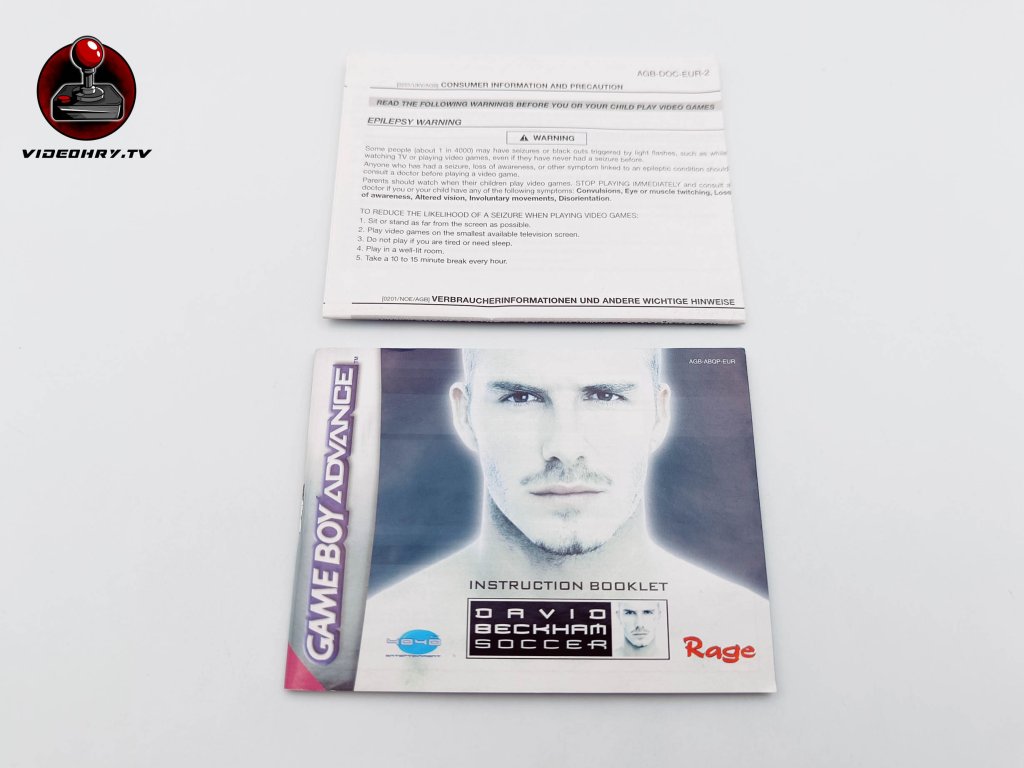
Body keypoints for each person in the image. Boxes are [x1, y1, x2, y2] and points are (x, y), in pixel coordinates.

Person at [354, 348, 775, 693]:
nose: (565, 447)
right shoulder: (374, 645)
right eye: (520, 398)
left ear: (659, 413)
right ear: (464, 415)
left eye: (605, 396)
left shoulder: (743, 635)